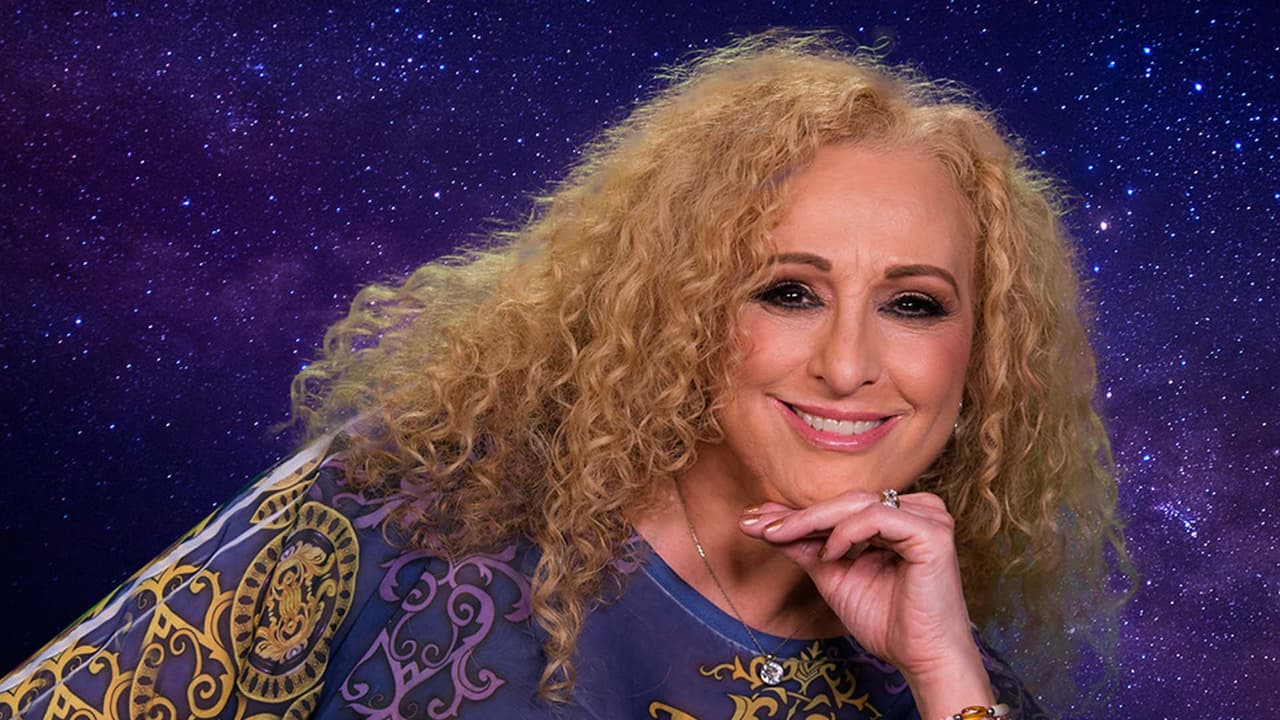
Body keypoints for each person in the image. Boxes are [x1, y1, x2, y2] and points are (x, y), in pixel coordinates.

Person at [0, 31, 1129, 719]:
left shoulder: (947, 686)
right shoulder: (408, 512)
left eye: (913, 305)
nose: (846, 363)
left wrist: (943, 674)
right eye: (785, 290)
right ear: (684, 304)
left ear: (982, 355)